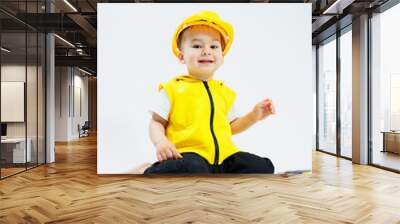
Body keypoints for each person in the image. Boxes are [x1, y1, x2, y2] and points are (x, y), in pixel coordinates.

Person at [144, 10, 275, 174]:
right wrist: (160, 142)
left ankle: (215, 174)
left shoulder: (225, 92)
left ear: (222, 55)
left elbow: (231, 127)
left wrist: (254, 116)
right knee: (192, 167)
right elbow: (156, 122)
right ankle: (148, 169)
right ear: (181, 56)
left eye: (214, 46)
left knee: (262, 167)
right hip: (189, 155)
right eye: (197, 46)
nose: (206, 51)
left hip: (224, 156)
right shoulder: (173, 88)